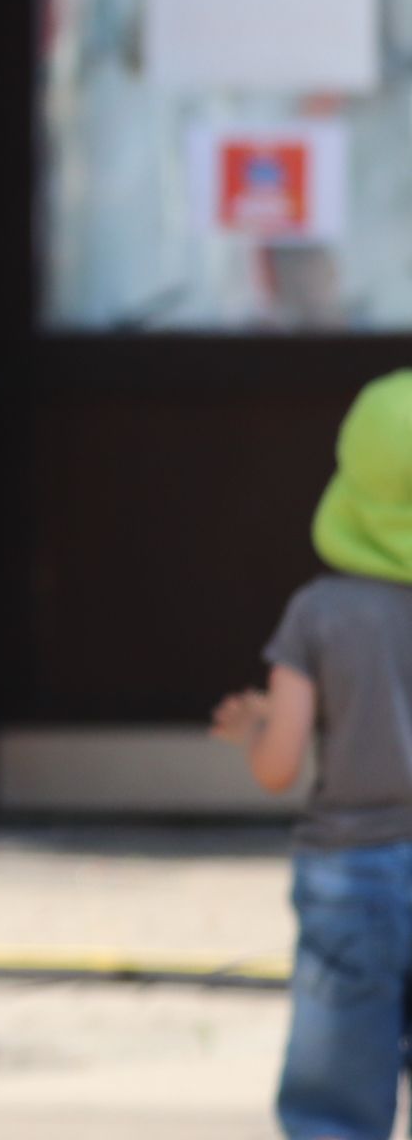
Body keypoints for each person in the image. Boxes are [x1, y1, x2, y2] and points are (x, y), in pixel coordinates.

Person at [211, 370, 412, 1140]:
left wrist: (256, 727)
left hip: (352, 874)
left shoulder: (320, 613)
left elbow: (278, 765)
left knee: (336, 1098)